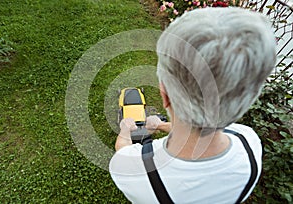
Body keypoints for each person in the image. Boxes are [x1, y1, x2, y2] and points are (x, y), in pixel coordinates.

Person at [110, 7, 276, 204]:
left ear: (165, 96)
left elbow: (123, 149)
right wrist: (161, 126)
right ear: (247, 99)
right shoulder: (249, 143)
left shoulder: (136, 172)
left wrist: (125, 129)